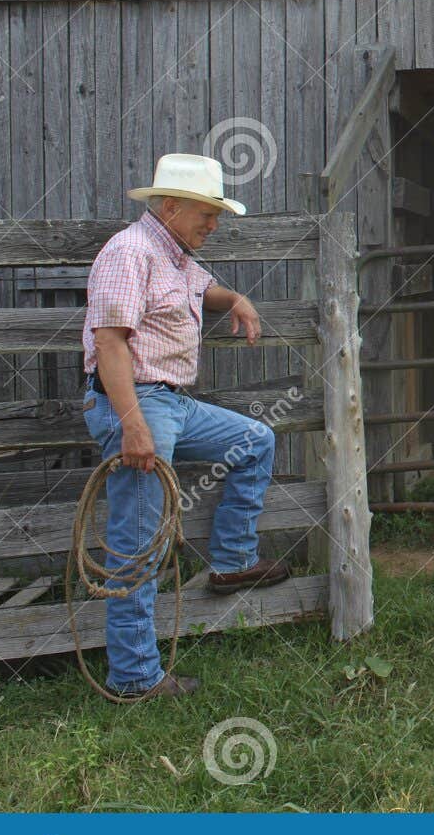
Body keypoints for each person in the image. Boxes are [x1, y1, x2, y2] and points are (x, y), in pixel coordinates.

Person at [81, 153, 289, 698]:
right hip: (139, 401)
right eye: (207, 213)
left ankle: (231, 561)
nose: (214, 224)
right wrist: (132, 424)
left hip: (172, 402)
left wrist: (236, 298)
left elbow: (201, 291)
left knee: (255, 440)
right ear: (170, 207)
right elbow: (109, 342)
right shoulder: (130, 252)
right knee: (140, 543)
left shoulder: (173, 256)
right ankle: (134, 676)